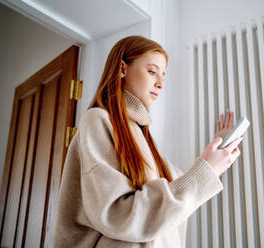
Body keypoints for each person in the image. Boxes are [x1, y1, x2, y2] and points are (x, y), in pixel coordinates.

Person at [51, 35, 242, 247]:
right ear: (122, 69)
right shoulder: (98, 120)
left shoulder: (145, 140)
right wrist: (206, 169)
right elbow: (117, 214)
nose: (160, 83)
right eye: (152, 71)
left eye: (163, 76)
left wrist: (219, 147)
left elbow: (180, 187)